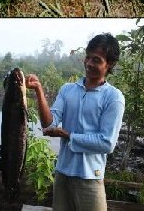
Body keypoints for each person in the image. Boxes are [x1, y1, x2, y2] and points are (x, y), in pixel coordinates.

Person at [26, 33, 125, 211]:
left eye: (97, 60)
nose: (89, 63)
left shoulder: (113, 97)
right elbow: (49, 125)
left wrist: (68, 135)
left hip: (90, 178)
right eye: (87, 57)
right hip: (62, 174)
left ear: (109, 64)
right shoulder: (67, 89)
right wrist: (39, 91)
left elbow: (107, 143)